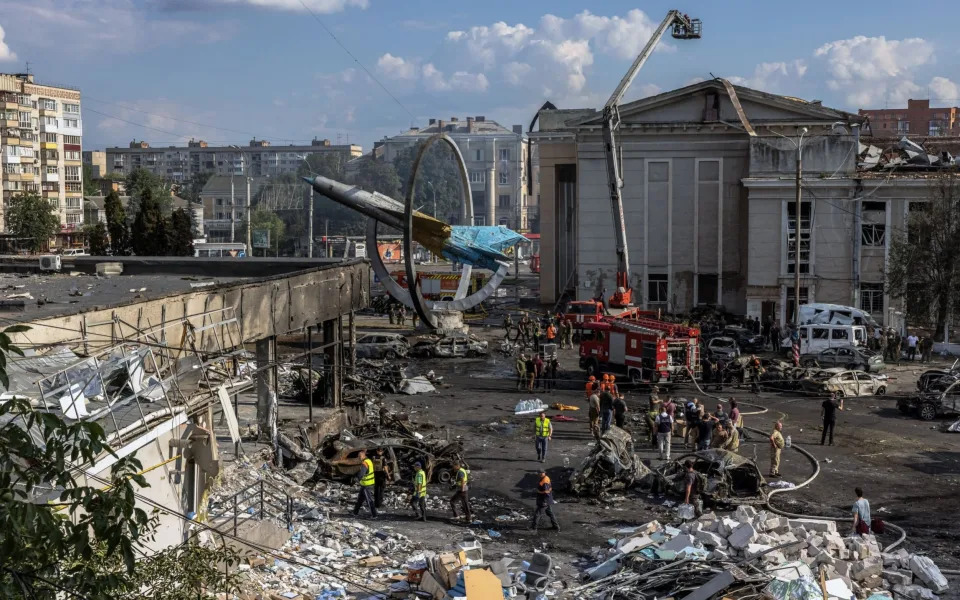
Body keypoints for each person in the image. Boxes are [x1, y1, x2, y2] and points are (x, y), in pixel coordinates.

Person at [351, 449, 378, 519]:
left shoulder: (365, 463)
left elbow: (361, 474)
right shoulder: (369, 461)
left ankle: (374, 515)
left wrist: (356, 479)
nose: (359, 458)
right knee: (360, 499)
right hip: (366, 484)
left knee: (369, 500)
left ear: (363, 455)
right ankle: (355, 512)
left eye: (359, 456)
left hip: (367, 484)